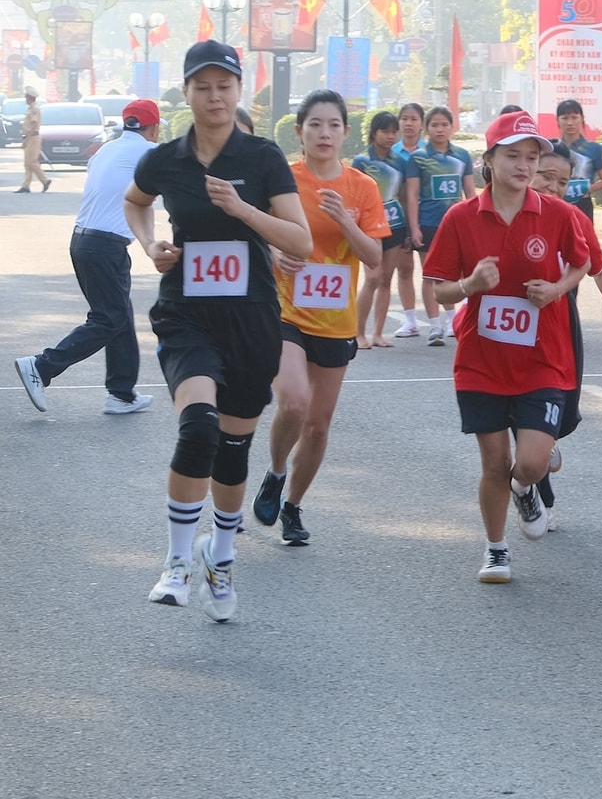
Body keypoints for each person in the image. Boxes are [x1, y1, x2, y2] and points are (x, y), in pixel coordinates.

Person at [125, 41, 312, 622]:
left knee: (233, 450)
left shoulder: (262, 157)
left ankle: (221, 555)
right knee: (199, 427)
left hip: (251, 318)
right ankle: (178, 561)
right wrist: (150, 244)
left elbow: (301, 241)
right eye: (202, 87)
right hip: (186, 311)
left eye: (224, 86)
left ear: (238, 90)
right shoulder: (165, 159)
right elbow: (135, 203)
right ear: (185, 92)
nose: (214, 96)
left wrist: (243, 210)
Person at [422, 111, 592, 583]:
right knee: (494, 463)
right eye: (513, 155)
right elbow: (439, 289)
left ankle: (525, 488)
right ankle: (496, 549)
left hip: (543, 357)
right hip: (482, 360)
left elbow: (582, 264)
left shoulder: (557, 214)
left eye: (531, 157)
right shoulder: (461, 218)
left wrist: (557, 289)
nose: (523, 165)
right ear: (489, 160)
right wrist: (470, 285)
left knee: (532, 462)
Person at [252, 90, 389, 547]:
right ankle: (275, 472)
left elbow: (374, 258)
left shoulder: (362, 187)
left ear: (346, 133)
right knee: (293, 402)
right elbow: (254, 233)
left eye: (333, 125)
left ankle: (292, 506)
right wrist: (274, 253)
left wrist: (345, 221)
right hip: (286, 312)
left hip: (336, 321)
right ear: (300, 132)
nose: (324, 133)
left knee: (317, 425)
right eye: (315, 124)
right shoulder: (283, 181)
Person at [14, 98, 163, 414]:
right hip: (105, 246)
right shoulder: (150, 153)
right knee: (109, 318)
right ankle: (42, 366)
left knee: (119, 315)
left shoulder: (106, 150)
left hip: (83, 241)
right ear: (154, 128)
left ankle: (121, 395)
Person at [530, 142, 602, 522]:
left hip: (560, 323)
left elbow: (598, 267)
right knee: (520, 411)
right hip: (515, 326)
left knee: (562, 413)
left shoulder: (572, 218)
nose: (553, 187)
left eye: (562, 181)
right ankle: (538, 491)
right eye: (546, 177)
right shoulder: (506, 215)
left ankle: (544, 443)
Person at [402, 105, 475, 347]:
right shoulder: (417, 158)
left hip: (457, 224)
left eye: (444, 124)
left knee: (459, 273)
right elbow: (412, 195)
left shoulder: (462, 156)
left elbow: (470, 192)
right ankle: (435, 326)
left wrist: (476, 221)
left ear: (452, 127)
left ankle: (454, 320)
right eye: (434, 124)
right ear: (426, 128)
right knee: (431, 274)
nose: (440, 129)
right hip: (429, 223)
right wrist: (414, 227)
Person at [352, 111, 409, 349]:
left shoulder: (401, 162)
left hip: (395, 224)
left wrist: (408, 230)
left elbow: (404, 196)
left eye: (394, 132)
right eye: (385, 131)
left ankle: (378, 334)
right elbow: (354, 195)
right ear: (374, 133)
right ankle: (358, 333)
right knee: (372, 278)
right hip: (368, 227)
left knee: (386, 279)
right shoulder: (361, 161)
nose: (390, 136)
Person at [390, 103, 427, 338]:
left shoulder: (429, 151)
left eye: (413, 119)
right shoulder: (391, 153)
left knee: (431, 271)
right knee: (405, 269)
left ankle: (441, 321)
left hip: (427, 218)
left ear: (422, 124)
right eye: (404, 118)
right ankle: (410, 321)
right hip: (400, 219)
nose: (408, 123)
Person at [553, 97, 602, 223]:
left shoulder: (594, 148)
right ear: (557, 121)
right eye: (565, 118)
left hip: (583, 205)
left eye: (574, 117)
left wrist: (584, 188)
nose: (570, 123)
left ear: (582, 119)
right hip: (556, 204)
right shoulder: (552, 148)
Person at [16, 85, 48, 192]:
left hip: (33, 137)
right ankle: (26, 186)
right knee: (27, 163)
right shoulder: (30, 108)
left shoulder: (34, 109)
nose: (25, 98)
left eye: (26, 96)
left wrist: (26, 140)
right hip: (30, 137)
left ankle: (45, 180)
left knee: (32, 162)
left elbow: (34, 125)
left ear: (29, 97)